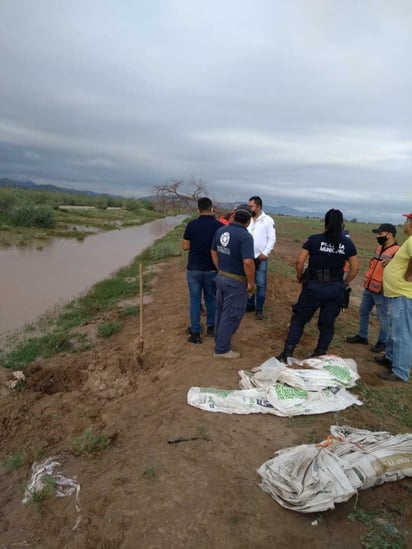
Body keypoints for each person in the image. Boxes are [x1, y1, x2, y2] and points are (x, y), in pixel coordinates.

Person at [275, 209, 359, 362]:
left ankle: (287, 353)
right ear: (342, 224)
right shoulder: (347, 244)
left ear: (325, 223)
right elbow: (355, 269)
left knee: (299, 320)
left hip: (314, 287)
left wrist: (300, 276)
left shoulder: (314, 240)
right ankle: (319, 354)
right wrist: (344, 283)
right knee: (327, 323)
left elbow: (299, 261)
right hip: (335, 289)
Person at [346, 223, 399, 352]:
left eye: (380, 234)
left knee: (383, 318)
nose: (378, 236)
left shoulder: (397, 251)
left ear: (390, 235)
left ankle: (382, 342)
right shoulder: (379, 248)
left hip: (382, 290)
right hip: (370, 287)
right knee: (363, 311)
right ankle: (362, 336)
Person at [211, 204, 255, 359]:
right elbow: (248, 262)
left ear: (234, 215)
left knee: (221, 311)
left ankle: (219, 339)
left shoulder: (221, 230)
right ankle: (222, 349)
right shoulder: (245, 237)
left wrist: (221, 270)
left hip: (221, 277)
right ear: (249, 220)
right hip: (235, 282)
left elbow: (214, 252)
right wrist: (250, 283)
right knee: (232, 315)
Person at [375, 212, 412, 382]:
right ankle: (390, 357)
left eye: (407, 220)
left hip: (403, 294)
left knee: (402, 334)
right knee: (394, 329)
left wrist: (409, 275)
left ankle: (400, 371)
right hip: (397, 294)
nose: (404, 223)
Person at [182, 197, 223, 343]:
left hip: (193, 269)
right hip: (212, 269)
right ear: (211, 209)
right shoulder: (219, 226)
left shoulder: (192, 225)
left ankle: (195, 333)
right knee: (211, 299)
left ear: (198, 209)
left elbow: (185, 246)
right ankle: (211, 328)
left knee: (194, 300)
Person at [246, 196, 276, 319]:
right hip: (247, 258)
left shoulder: (268, 220)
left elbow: (272, 238)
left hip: (260, 258)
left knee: (261, 283)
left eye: (251, 206)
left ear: (258, 207)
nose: (249, 208)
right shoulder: (247, 219)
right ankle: (249, 304)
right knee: (248, 282)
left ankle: (259, 309)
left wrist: (265, 253)